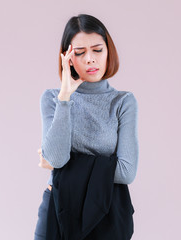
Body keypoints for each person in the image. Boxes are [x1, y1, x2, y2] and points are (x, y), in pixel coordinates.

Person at [34, 13, 139, 240]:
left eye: (97, 50)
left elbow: (127, 172)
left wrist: (63, 169)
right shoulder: (53, 99)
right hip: (57, 210)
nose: (90, 59)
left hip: (105, 214)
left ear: (108, 50)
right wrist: (65, 98)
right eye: (80, 53)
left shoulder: (123, 102)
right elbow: (57, 159)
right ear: (67, 58)